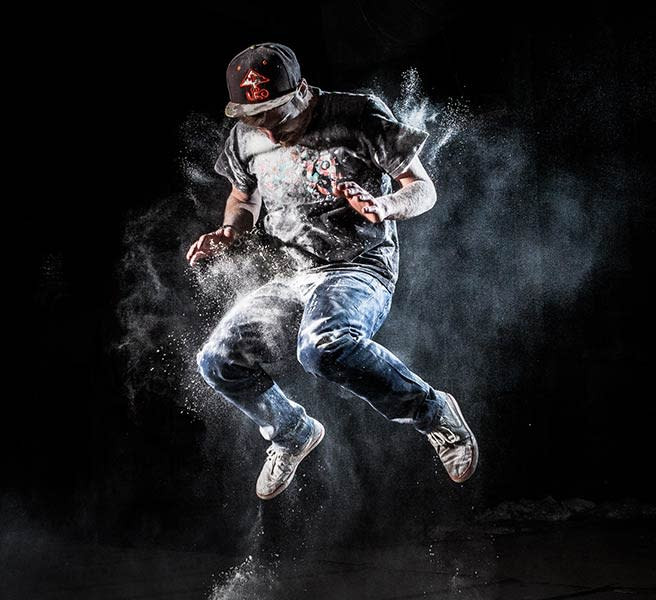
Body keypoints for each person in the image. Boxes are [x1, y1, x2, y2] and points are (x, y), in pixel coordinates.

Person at [189, 42, 477, 500]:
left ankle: (434, 413)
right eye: (253, 115)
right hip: (294, 273)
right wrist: (228, 232)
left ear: (301, 91)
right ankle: (291, 432)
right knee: (217, 361)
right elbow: (244, 197)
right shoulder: (246, 135)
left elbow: (422, 189)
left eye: (274, 113)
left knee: (322, 348)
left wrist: (383, 206)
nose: (266, 126)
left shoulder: (359, 115)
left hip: (359, 265)